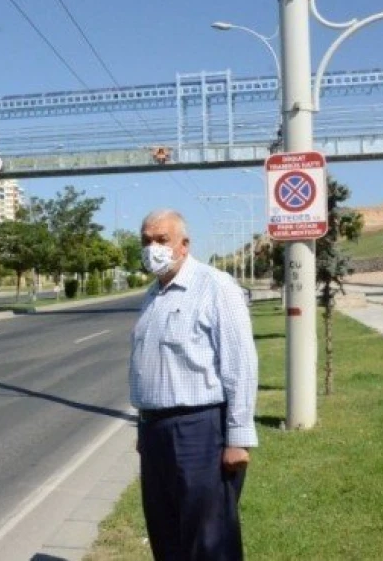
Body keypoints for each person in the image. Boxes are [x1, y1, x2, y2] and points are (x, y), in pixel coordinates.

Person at [130, 208, 259, 561]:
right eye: (146, 241)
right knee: (165, 533)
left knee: (209, 538)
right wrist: (144, 431)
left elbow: (240, 364)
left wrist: (238, 437)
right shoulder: (153, 296)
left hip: (200, 430)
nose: (152, 248)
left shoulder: (215, 286)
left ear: (184, 245)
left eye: (161, 240)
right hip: (156, 431)